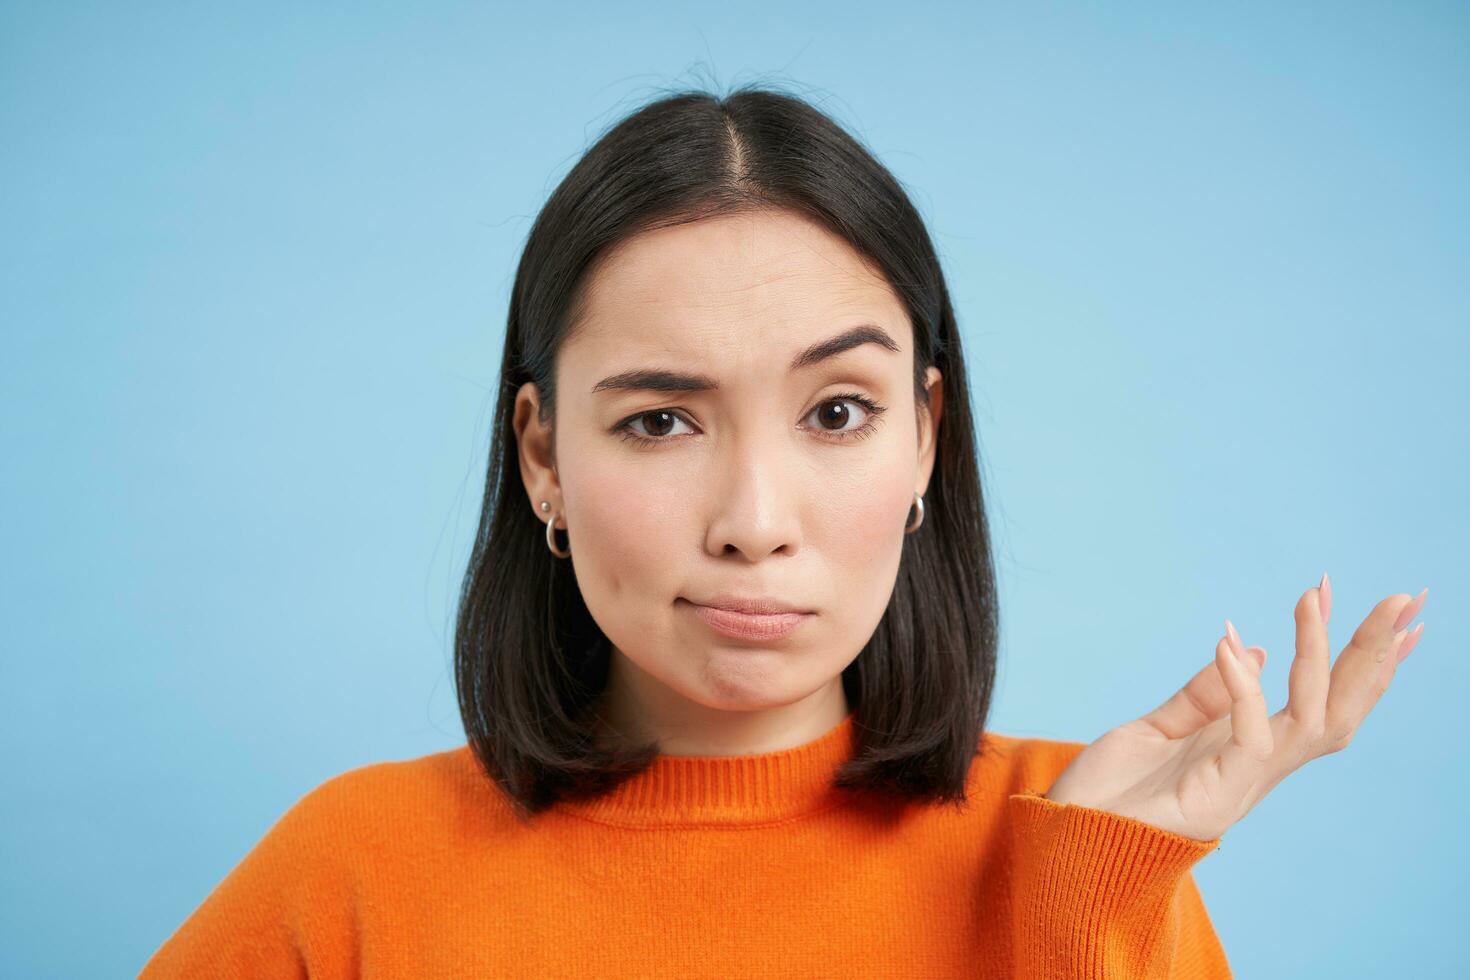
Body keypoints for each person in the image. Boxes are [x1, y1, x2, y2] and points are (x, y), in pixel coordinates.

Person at [139, 84, 1428, 979]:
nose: (755, 522)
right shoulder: (354, 872)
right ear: (541, 455)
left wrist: (1081, 915)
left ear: (925, 437)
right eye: (658, 422)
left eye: (838, 411)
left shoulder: (1084, 835)